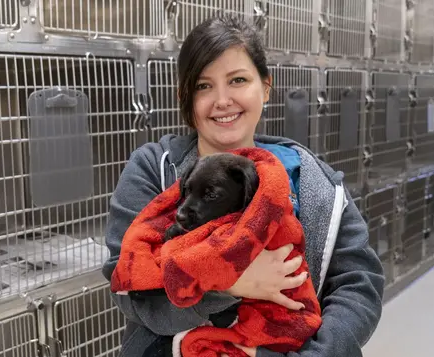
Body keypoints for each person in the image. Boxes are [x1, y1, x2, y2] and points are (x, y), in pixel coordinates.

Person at [102, 15, 385, 357]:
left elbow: (359, 284)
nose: (222, 100)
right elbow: (130, 287)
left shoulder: (309, 178)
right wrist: (230, 282)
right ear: (186, 97)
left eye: (237, 80)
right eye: (203, 86)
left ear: (265, 87)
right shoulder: (154, 168)